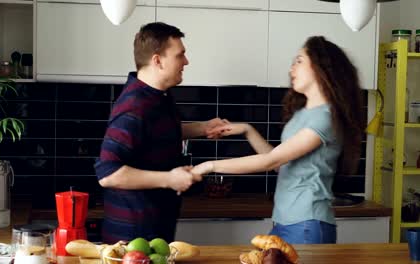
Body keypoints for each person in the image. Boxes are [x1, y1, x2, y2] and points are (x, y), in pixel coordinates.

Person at [193, 36, 364, 244]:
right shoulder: (303, 113)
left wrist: (208, 166)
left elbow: (271, 161)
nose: (292, 68)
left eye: (299, 60)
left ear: (322, 67)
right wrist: (248, 130)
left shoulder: (325, 117)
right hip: (285, 221)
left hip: (308, 223)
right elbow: (279, 164)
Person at [94, 22, 226, 244]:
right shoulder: (134, 106)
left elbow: (153, 133)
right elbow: (108, 173)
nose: (186, 61)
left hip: (154, 228)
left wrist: (203, 128)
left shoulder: (157, 96)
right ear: (157, 60)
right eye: (180, 55)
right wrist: (170, 179)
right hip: (133, 237)